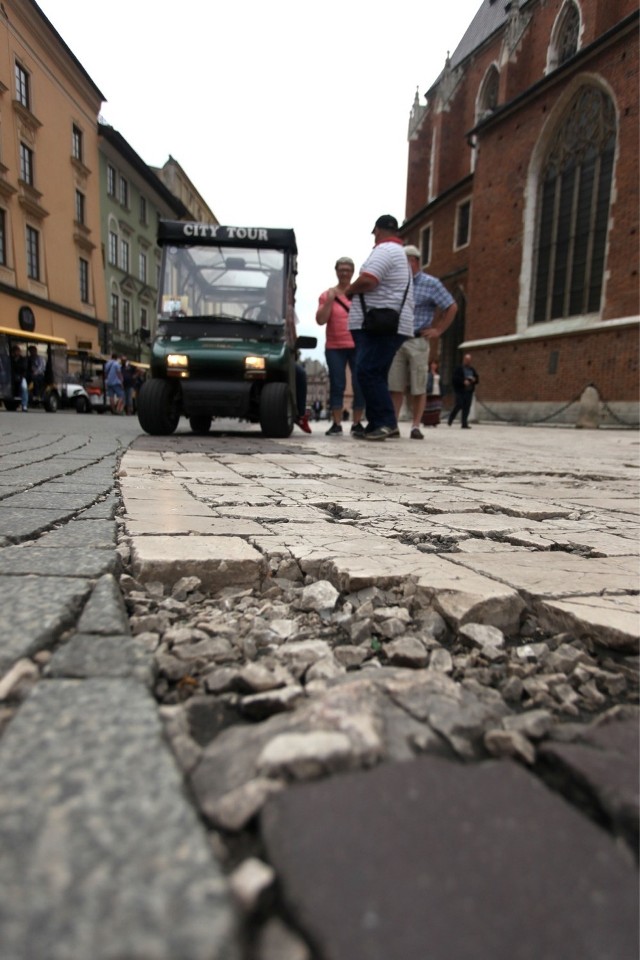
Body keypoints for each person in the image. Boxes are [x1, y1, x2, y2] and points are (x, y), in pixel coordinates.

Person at [344, 215, 414, 441]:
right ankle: (378, 422)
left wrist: (349, 290)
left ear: (378, 230)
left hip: (380, 324)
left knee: (367, 370)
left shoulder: (385, 250)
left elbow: (369, 280)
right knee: (377, 373)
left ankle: (384, 422)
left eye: (374, 232)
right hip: (386, 323)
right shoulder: (397, 252)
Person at [388, 245, 458, 439]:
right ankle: (393, 424)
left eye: (404, 262)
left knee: (419, 385)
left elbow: (451, 306)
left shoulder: (431, 283)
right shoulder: (397, 283)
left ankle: (415, 426)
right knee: (395, 385)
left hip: (418, 340)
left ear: (414, 261)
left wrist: (438, 330)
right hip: (397, 340)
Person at [316, 256, 366, 437]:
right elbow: (321, 320)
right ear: (336, 271)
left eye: (348, 269)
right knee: (337, 384)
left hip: (357, 344)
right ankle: (336, 423)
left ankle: (357, 423)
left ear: (353, 272)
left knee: (359, 383)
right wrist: (330, 300)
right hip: (335, 346)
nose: (344, 273)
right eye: (341, 269)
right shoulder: (326, 295)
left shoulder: (360, 294)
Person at [448, 353, 479, 429]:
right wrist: (463, 381)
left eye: (469, 360)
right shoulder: (459, 368)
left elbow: (477, 378)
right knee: (459, 404)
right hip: (460, 390)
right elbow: (455, 379)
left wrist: (474, 380)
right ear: (464, 360)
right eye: (466, 360)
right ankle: (451, 417)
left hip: (469, 391)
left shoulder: (472, 369)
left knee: (467, 407)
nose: (468, 362)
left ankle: (464, 423)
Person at [423, 359, 442, 427]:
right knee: (429, 407)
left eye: (435, 364)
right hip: (430, 391)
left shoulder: (438, 374)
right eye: (432, 364)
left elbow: (440, 383)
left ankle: (435, 421)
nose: (434, 366)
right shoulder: (428, 374)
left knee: (436, 407)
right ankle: (427, 421)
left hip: (437, 391)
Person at [11, 344, 29, 411]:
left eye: (16, 351)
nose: (15, 352)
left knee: (24, 388)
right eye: (14, 351)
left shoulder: (23, 359)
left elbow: (24, 368)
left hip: (22, 377)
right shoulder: (11, 359)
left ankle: (24, 405)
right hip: (12, 377)